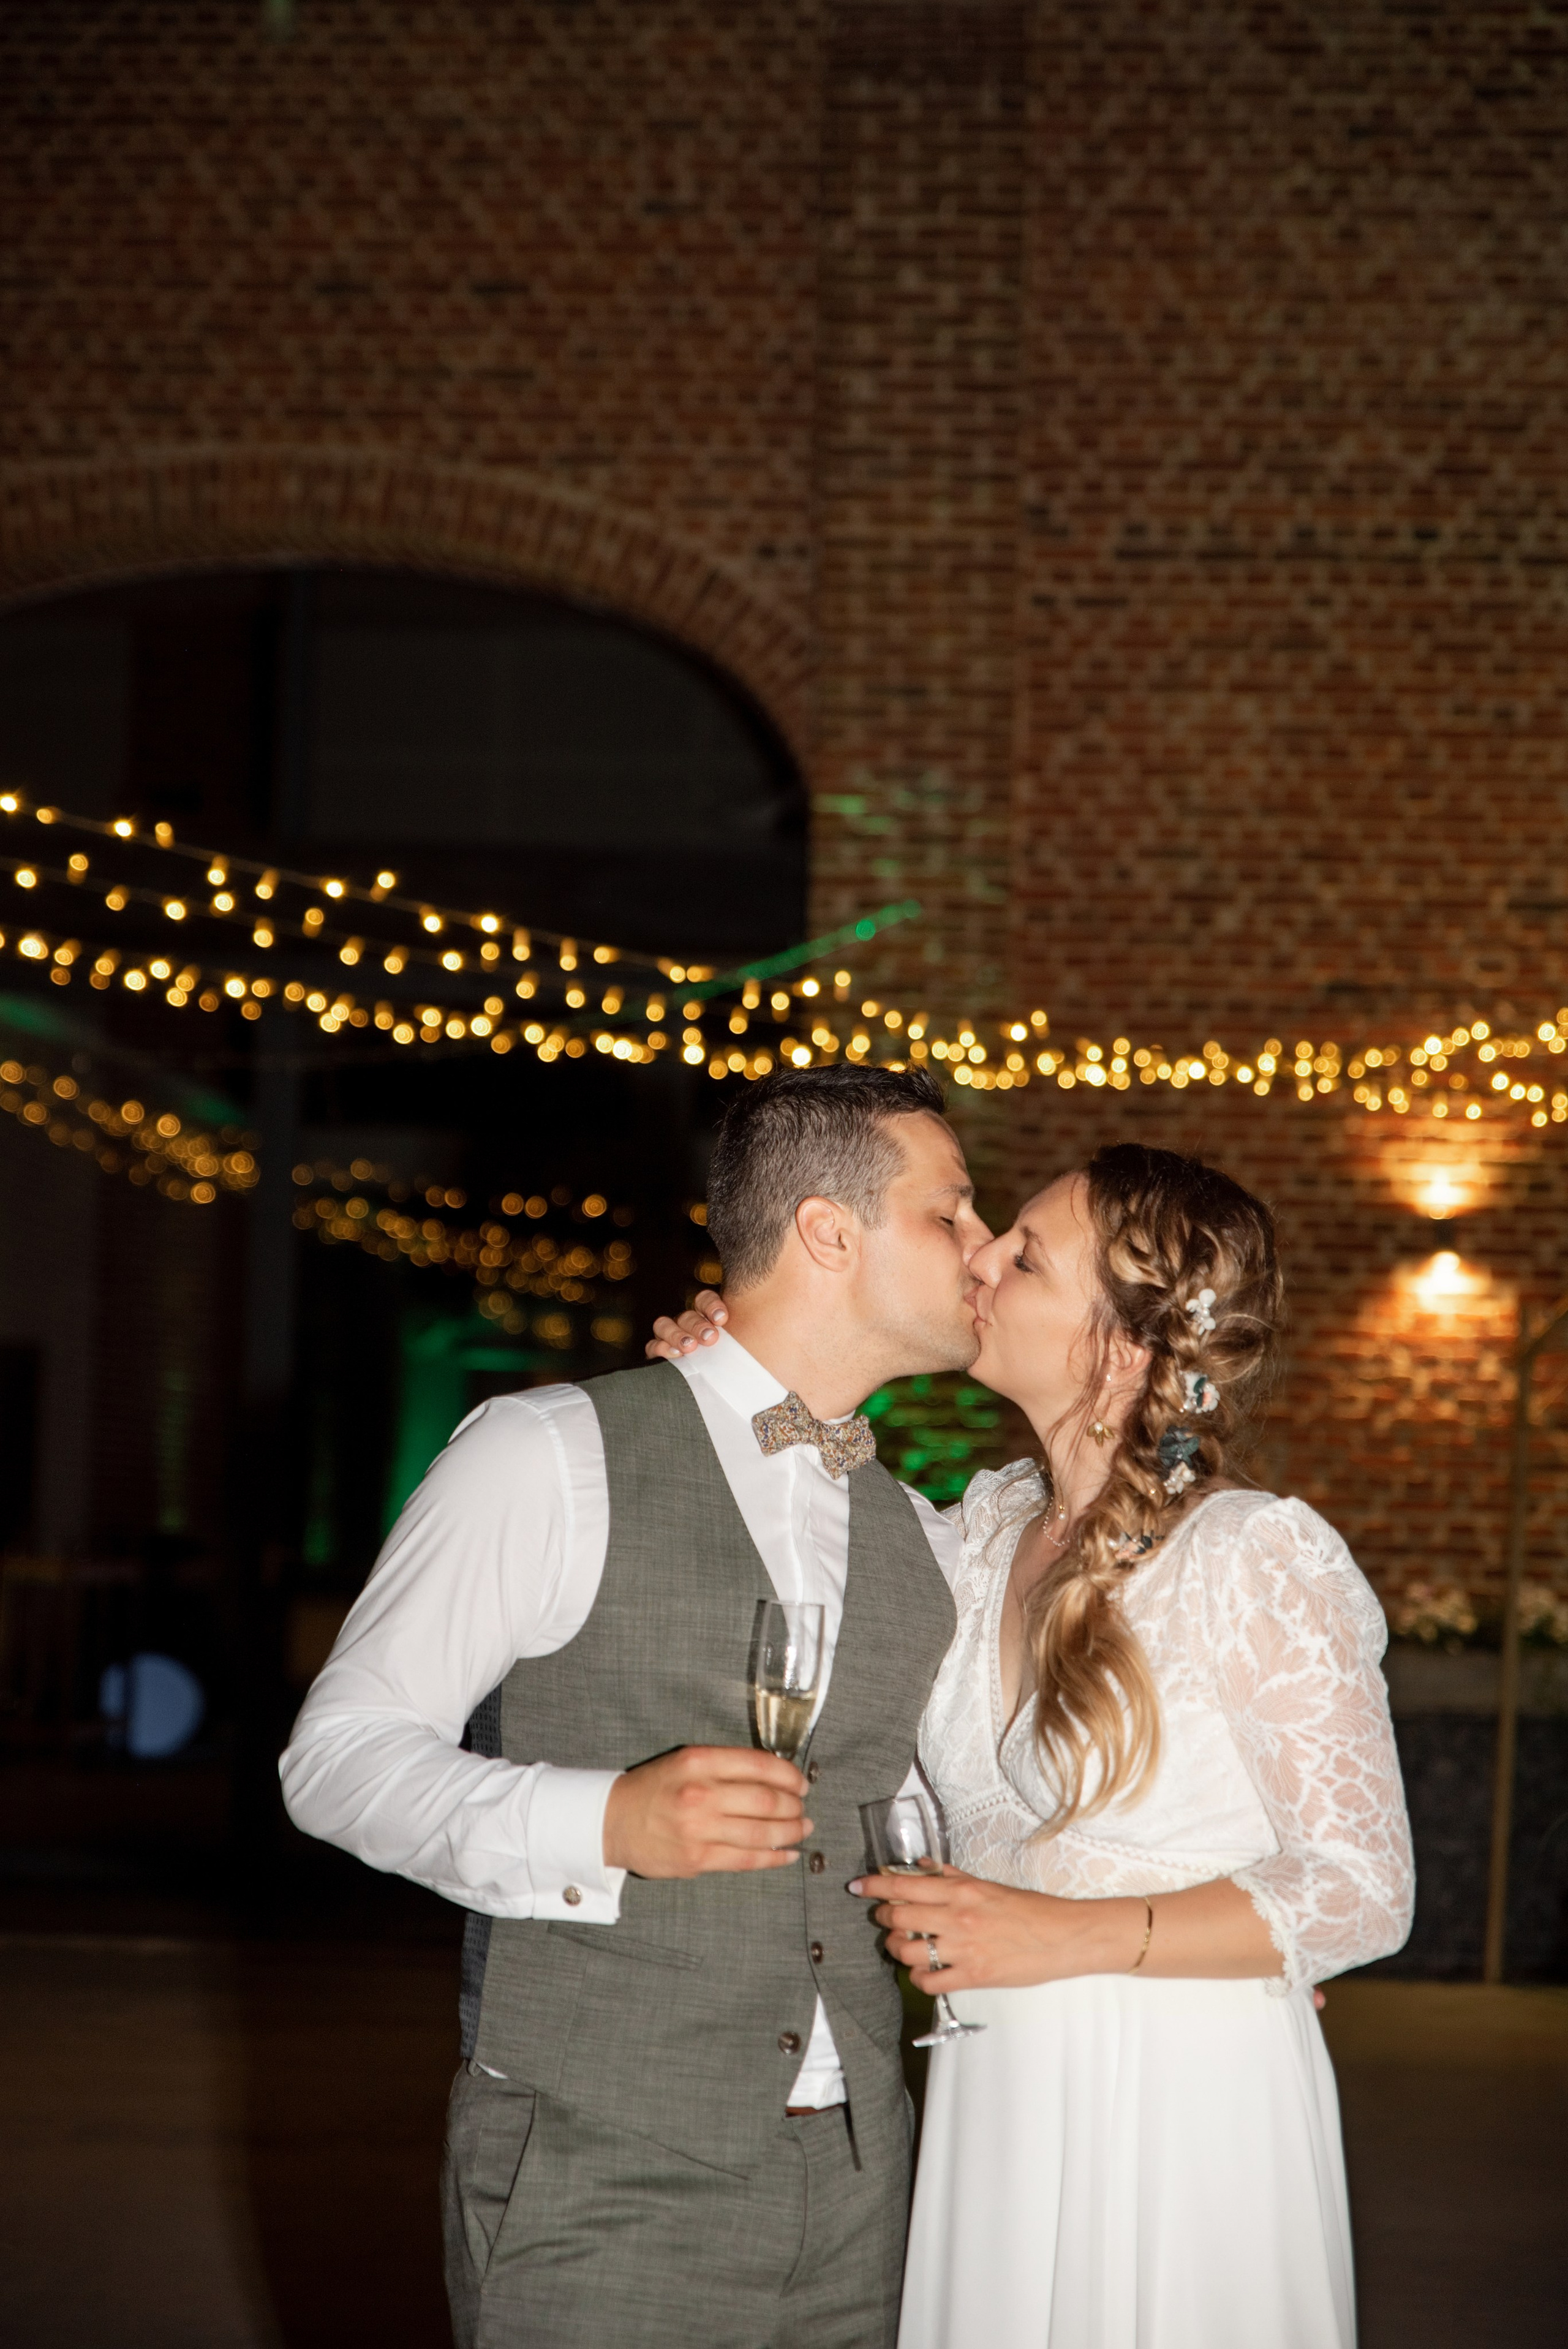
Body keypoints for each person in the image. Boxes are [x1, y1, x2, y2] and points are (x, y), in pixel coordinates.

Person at [653, 1142, 1415, 2348]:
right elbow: (812, 1478)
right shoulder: (979, 1527)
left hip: (1182, 2099)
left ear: (1118, 1348)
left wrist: (1061, 1935)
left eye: (1023, 1254)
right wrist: (732, 1370)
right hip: (994, 2086)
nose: (979, 1258)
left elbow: (1364, 1892)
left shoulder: (1253, 1555)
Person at [280, 1063, 993, 2349]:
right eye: (950, 1212)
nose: (979, 1247)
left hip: (861, 2178)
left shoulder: (918, 1532)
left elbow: (931, 1808)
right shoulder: (545, 1452)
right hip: (604, 2161)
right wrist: (599, 1819)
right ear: (827, 1232)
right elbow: (335, 1758)